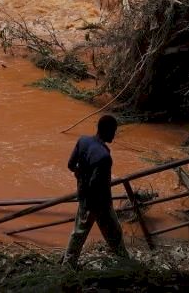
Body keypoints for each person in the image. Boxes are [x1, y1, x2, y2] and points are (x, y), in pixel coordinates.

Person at [62, 114, 130, 269]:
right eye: (114, 131)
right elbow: (96, 184)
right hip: (100, 202)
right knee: (114, 233)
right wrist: (100, 204)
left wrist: (80, 176)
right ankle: (125, 262)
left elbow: (71, 165)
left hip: (83, 197)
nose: (114, 135)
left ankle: (67, 264)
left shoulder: (83, 141)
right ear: (107, 131)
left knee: (78, 233)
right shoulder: (104, 157)